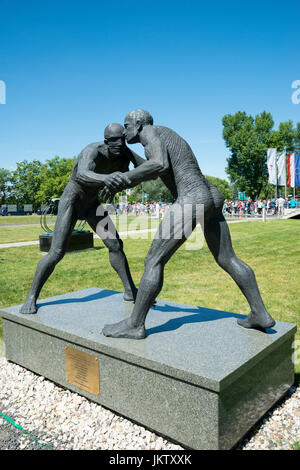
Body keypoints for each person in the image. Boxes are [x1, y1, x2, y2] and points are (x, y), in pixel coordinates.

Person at [100, 109, 275, 339]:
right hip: (210, 194)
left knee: (154, 260)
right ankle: (260, 313)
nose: (124, 131)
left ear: (139, 124)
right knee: (227, 257)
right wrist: (129, 160)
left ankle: (135, 323)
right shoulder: (164, 134)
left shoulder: (150, 133)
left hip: (192, 198)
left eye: (127, 125)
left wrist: (123, 178)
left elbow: (159, 165)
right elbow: (153, 170)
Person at [20, 123, 146, 314]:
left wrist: (127, 152)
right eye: (114, 141)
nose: (119, 144)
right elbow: (82, 173)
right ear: (106, 141)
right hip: (73, 199)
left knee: (115, 245)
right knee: (57, 252)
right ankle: (31, 297)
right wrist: (106, 179)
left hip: (91, 204)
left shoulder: (123, 152)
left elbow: (146, 169)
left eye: (122, 140)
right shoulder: (92, 150)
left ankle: (130, 290)